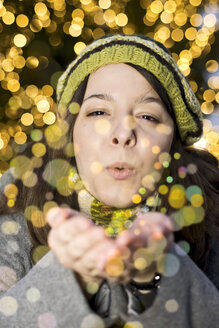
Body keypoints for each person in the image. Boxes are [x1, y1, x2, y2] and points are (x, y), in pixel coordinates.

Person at [0, 34, 219, 327]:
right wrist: (71, 274)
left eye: (147, 116)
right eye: (99, 112)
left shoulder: (212, 223)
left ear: (172, 144)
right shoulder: (12, 215)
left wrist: (161, 276)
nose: (123, 133)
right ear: (71, 133)